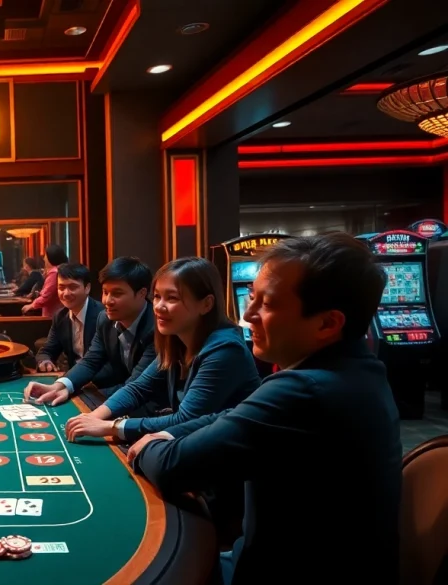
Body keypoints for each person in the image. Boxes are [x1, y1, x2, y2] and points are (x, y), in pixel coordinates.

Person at [128, 233, 401, 585]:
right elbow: (233, 415)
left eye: (267, 304)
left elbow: (172, 467)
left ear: (327, 323)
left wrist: (149, 445)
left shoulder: (305, 391)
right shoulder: (356, 370)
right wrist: (166, 433)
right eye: (251, 297)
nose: (247, 315)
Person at [61, 257, 260, 443]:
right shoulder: (175, 339)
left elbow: (186, 419)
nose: (159, 306)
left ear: (206, 304)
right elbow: (138, 388)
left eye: (172, 298)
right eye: (157, 296)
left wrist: (111, 427)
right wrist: (92, 418)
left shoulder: (224, 349)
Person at [25, 256, 155, 403]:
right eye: (105, 292)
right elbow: (91, 361)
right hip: (120, 396)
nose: (107, 301)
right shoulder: (105, 319)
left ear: (142, 293)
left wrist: (81, 396)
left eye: (117, 294)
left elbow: (136, 387)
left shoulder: (157, 328)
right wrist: (59, 386)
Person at [30, 263, 103, 375]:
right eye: (61, 287)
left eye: (73, 287)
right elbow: (47, 350)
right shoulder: (60, 316)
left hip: (100, 382)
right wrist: (44, 360)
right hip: (72, 380)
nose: (66, 293)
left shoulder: (103, 315)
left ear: (87, 288)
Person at [22, 243, 67, 317]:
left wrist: (32, 305)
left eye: (45, 256)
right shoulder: (61, 270)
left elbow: (47, 296)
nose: (44, 259)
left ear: (51, 257)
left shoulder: (54, 273)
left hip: (52, 315)